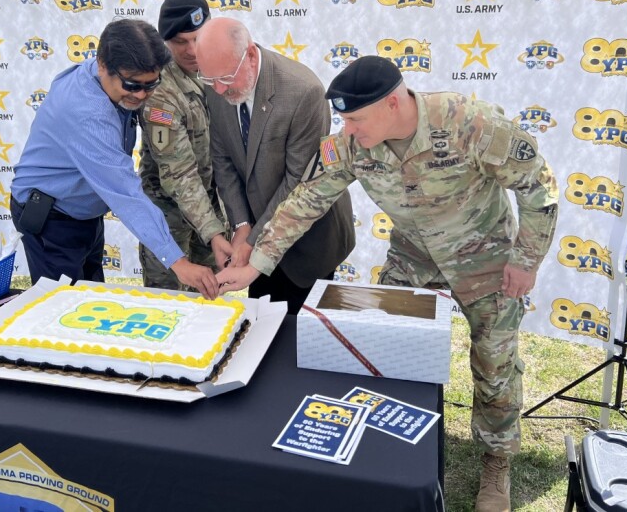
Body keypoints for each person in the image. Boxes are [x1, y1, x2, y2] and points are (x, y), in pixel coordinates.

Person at [217, 56, 559, 512]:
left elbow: (540, 186)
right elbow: (307, 199)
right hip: (413, 258)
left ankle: (497, 460)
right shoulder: (352, 144)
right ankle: (390, 448)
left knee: (494, 361)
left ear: (393, 103)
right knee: (384, 347)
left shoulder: (467, 121)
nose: (348, 129)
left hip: (485, 260)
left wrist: (526, 259)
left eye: (355, 118)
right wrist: (258, 263)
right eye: (345, 119)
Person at [10, 19, 218, 297]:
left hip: (83, 213)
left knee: (91, 299)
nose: (142, 96)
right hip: (52, 221)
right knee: (62, 310)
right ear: (102, 65)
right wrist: (179, 262)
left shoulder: (104, 77)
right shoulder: (87, 113)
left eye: (151, 84)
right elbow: (126, 195)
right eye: (133, 85)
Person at [196, 17, 355, 314]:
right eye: (209, 80)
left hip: (309, 245)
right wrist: (242, 225)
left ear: (251, 56)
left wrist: (252, 240)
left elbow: (297, 181)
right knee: (261, 326)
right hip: (256, 231)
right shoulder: (216, 83)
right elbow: (222, 159)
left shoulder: (303, 92)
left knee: (303, 339)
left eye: (226, 79)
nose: (218, 89)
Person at [138, 0, 230, 290]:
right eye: (180, 42)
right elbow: (179, 176)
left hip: (212, 206)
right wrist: (214, 232)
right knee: (166, 302)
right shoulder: (161, 95)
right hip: (170, 216)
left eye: (197, 37)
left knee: (210, 300)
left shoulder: (223, 70)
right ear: (166, 41)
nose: (192, 50)